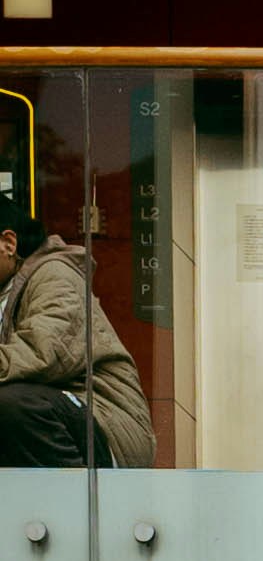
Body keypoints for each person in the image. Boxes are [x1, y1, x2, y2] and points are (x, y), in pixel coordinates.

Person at [0, 176, 155, 467]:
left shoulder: (55, 274)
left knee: (11, 405)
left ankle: (74, 505)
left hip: (105, 425)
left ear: (8, 243)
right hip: (57, 421)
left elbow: (45, 352)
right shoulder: (5, 291)